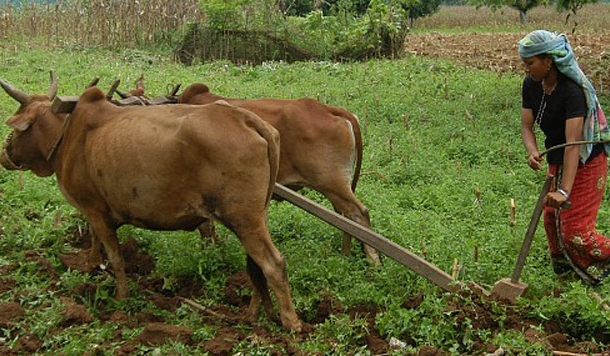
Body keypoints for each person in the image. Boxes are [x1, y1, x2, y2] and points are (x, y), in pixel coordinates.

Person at [518, 29, 610, 285]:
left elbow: (573, 145)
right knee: (550, 219)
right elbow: (527, 126)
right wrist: (532, 150)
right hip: (557, 160)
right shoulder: (531, 85)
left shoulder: (572, 90)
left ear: (549, 60)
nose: (527, 70)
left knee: (575, 232)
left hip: (586, 161)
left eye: (530, 63)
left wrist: (565, 192)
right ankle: (566, 280)